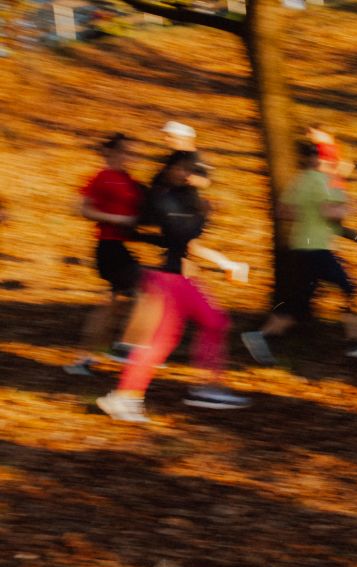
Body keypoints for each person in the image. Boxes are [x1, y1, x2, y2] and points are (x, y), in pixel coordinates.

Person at [95, 152, 251, 423]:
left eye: (192, 171)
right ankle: (126, 397)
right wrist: (202, 214)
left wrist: (226, 262)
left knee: (213, 323)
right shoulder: (160, 198)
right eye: (185, 169)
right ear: (171, 169)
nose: (188, 175)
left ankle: (206, 387)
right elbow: (172, 235)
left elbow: (187, 244)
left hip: (181, 277)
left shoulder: (183, 198)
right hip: (165, 279)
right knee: (161, 341)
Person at [241, 140, 357, 365]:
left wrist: (309, 215)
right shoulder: (321, 180)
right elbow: (327, 212)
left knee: (297, 308)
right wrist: (352, 207)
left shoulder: (300, 180)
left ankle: (258, 337)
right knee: (349, 287)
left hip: (301, 246)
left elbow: (282, 212)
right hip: (316, 248)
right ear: (329, 160)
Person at [68, 133, 143, 376]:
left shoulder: (128, 180)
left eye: (133, 153)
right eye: (125, 151)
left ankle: (83, 359)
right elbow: (81, 208)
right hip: (108, 248)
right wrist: (116, 219)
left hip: (119, 246)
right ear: (111, 153)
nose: (130, 157)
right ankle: (126, 346)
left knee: (110, 306)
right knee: (147, 290)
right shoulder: (103, 177)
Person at [158, 120, 250, 285]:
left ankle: (229, 267)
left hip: (190, 213)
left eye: (171, 136)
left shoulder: (194, 158)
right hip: (178, 213)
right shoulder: (176, 156)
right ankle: (229, 268)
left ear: (185, 138)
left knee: (184, 249)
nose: (167, 139)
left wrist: (190, 179)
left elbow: (205, 181)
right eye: (167, 136)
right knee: (190, 249)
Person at [307, 124, 357, 266]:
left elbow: (324, 169)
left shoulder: (322, 148)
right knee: (334, 228)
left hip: (329, 193)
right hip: (337, 192)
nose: (308, 135)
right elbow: (347, 168)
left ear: (324, 132)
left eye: (311, 132)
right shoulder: (336, 147)